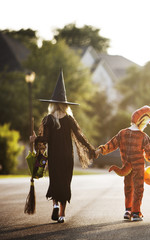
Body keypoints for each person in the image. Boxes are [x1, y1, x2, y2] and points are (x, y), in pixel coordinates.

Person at [30, 70, 96, 223]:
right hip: (67, 157)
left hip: (54, 157)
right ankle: (62, 214)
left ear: (52, 104)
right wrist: (91, 148)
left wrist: (35, 138)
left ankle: (54, 206)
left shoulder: (48, 119)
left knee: (55, 182)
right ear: (65, 104)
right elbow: (79, 136)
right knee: (65, 184)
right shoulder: (70, 119)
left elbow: (45, 139)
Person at [95, 105, 150, 221]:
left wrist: (99, 150)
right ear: (143, 121)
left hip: (126, 165)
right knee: (138, 188)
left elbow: (111, 144)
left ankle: (128, 210)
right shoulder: (143, 136)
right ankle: (136, 212)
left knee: (128, 187)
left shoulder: (122, 133)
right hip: (138, 167)